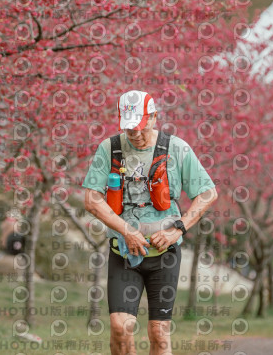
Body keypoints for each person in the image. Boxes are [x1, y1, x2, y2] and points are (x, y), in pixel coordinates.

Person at [82, 90, 217, 355]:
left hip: (165, 255)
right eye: (130, 128)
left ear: (154, 117)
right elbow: (91, 199)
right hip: (124, 254)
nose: (136, 134)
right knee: (120, 327)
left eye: (141, 127)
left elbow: (208, 193)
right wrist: (127, 231)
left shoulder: (177, 148)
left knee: (159, 332)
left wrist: (178, 229)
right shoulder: (110, 148)